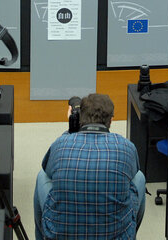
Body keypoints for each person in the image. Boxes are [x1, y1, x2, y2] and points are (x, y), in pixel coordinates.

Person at [34, 94, 146, 240]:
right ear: (111, 120)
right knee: (139, 178)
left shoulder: (61, 143)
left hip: (61, 236)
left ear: (80, 117)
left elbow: (48, 170)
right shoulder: (126, 146)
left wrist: (71, 130)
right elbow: (131, 174)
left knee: (42, 176)